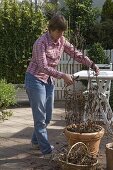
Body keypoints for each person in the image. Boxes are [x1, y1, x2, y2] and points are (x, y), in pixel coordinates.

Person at [24, 15, 99, 157]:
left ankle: (35, 141)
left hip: (48, 81)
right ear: (51, 29)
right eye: (59, 32)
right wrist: (63, 75)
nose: (61, 35)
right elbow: (43, 67)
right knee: (40, 117)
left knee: (47, 116)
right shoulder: (41, 43)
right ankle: (46, 151)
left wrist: (91, 64)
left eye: (63, 32)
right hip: (35, 79)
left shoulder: (61, 40)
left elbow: (76, 53)